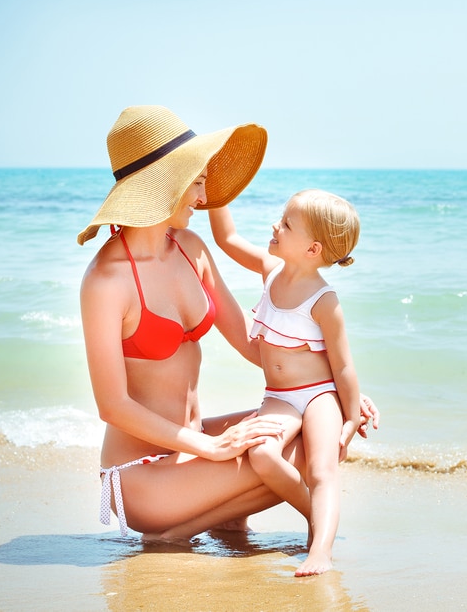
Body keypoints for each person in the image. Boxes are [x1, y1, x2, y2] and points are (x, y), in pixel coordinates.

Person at [78, 105, 379, 549]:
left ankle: (208, 521)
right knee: (291, 453)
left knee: (323, 429)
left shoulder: (190, 249)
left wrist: (332, 390)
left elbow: (254, 345)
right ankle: (191, 523)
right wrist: (213, 449)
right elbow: (113, 406)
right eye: (197, 183)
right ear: (164, 181)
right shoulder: (107, 281)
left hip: (194, 447)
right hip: (142, 478)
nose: (203, 198)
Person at [209, 189, 361, 576]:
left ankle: (321, 550)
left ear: (312, 250)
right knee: (261, 454)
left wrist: (351, 418)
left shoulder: (324, 301)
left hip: (319, 396)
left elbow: (343, 368)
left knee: (323, 469)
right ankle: (315, 515)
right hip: (279, 396)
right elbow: (227, 239)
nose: (275, 225)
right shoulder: (270, 269)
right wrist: (217, 193)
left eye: (287, 224)